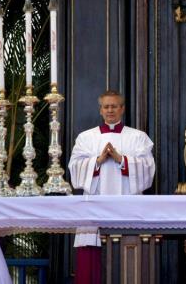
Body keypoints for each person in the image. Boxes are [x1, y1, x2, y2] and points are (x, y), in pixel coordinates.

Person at [68, 91, 155, 284]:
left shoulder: (138, 137)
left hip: (128, 209)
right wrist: (97, 161)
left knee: (128, 265)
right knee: (91, 262)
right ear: (100, 110)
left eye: (114, 106)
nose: (110, 110)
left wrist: (120, 159)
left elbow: (148, 170)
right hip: (93, 208)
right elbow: (74, 169)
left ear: (122, 109)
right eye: (106, 106)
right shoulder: (85, 138)